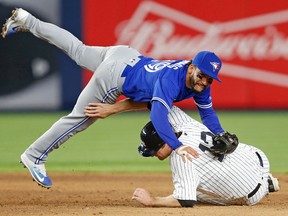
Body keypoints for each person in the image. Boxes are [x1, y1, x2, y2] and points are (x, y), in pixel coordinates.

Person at [2, 8, 229, 188]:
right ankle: (35, 156)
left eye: (210, 79)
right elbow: (159, 115)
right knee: (80, 118)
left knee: (78, 49)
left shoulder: (198, 82)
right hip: (115, 76)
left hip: (125, 55)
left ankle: (27, 20)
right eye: (202, 76)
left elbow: (206, 112)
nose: (205, 82)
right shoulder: (171, 80)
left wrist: (219, 134)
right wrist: (177, 146)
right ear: (191, 67)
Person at [130, 106, 280, 207]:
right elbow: (157, 103)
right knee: (221, 151)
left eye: (154, 150)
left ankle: (265, 186)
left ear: (167, 140)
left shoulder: (181, 157)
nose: (153, 155)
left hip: (251, 194)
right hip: (258, 159)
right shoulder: (184, 123)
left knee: (193, 191)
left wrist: (153, 201)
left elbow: (185, 200)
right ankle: (265, 179)